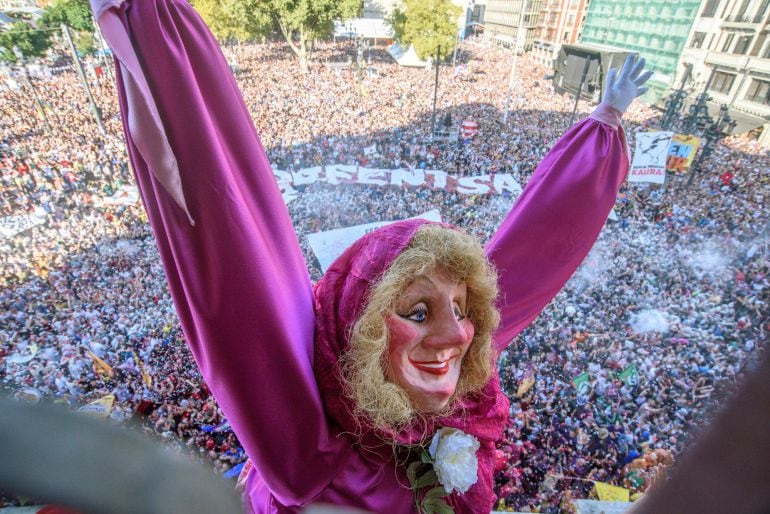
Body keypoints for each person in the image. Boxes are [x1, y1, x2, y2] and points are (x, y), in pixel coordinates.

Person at [90, 0, 651, 512]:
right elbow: (228, 242)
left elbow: (532, 257)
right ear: (359, 333)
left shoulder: (457, 373)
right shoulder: (304, 445)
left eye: (460, 307)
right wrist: (152, 34)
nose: (458, 334)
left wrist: (602, 126)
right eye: (417, 312)